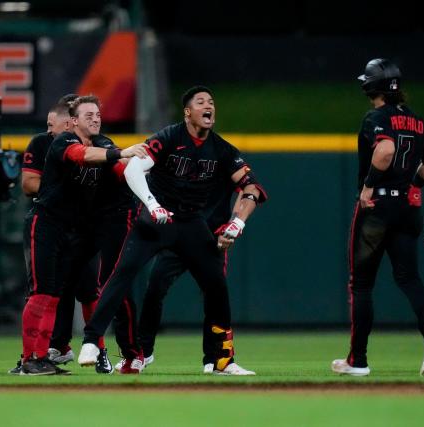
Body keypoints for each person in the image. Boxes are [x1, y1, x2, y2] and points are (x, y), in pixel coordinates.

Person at [78, 85, 267, 375]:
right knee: (123, 273)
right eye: (201, 102)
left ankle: (221, 360)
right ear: (188, 111)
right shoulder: (169, 136)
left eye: (212, 102)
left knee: (217, 285)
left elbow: (251, 187)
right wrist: (152, 205)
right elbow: (132, 170)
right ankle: (92, 340)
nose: (209, 106)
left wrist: (237, 222)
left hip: (191, 224)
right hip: (156, 218)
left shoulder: (223, 149)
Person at [331, 58, 424, 377]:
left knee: (362, 284)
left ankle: (359, 360)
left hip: (377, 210)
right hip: (408, 209)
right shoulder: (418, 121)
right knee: (410, 278)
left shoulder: (376, 117)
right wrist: (412, 184)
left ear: (372, 86)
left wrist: (369, 187)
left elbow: (384, 152)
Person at [18, 95, 147, 375]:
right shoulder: (62, 141)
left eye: (98, 114)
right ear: (73, 121)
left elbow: (119, 168)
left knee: (58, 294)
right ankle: (30, 358)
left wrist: (140, 167)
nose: (95, 119)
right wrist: (122, 153)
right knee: (43, 294)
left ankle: (46, 357)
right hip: (47, 224)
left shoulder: (102, 143)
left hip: (74, 230)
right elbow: (82, 156)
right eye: (88, 115)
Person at [129, 180, 243, 373]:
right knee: (155, 288)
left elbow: (248, 188)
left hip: (211, 239)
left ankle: (216, 359)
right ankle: (143, 353)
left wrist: (233, 222)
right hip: (180, 236)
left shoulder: (222, 154)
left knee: (214, 295)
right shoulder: (183, 154)